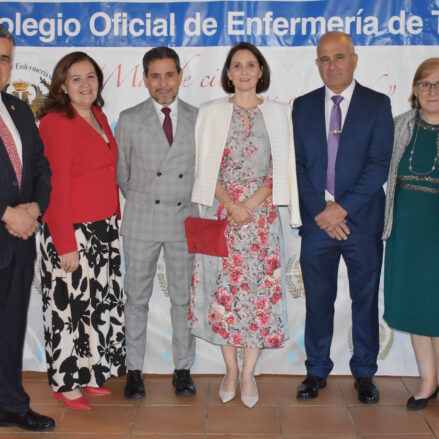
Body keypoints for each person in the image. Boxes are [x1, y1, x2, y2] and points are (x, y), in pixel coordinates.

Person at [190, 42, 301, 408]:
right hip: (221, 216)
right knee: (222, 296)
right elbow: (203, 168)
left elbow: (282, 167)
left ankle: (249, 373)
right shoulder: (210, 112)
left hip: (261, 220)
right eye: (236, 65)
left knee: (258, 298)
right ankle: (230, 371)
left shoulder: (280, 113)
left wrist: (250, 204)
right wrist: (230, 204)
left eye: (250, 65)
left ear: (261, 71)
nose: (243, 72)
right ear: (227, 73)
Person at [293, 31, 394, 403]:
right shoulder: (302, 106)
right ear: (317, 64)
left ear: (354, 59)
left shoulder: (377, 104)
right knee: (318, 299)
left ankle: (365, 372)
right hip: (318, 222)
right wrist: (322, 212)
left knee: (364, 300)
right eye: (324, 58)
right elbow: (299, 167)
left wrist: (342, 207)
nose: (331, 65)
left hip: (362, 220)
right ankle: (316, 369)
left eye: (339, 57)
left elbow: (379, 164)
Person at [38, 51, 126, 410]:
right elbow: (54, 187)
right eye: (76, 78)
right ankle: (65, 380)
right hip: (70, 231)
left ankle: (88, 374)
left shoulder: (99, 115)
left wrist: (114, 221)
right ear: (62, 84)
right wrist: (64, 243)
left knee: (93, 308)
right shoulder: (56, 122)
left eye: (90, 76)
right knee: (66, 309)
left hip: (103, 229)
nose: (85, 84)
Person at [116, 47, 198, 399]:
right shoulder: (129, 118)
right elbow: (123, 174)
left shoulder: (200, 117)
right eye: (155, 76)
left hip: (184, 221)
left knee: (183, 299)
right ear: (145, 78)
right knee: (136, 298)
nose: (163, 84)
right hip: (142, 220)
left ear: (180, 75)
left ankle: (182, 369)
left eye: (169, 75)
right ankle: (134, 369)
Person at [0, 25, 54, 431]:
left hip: (20, 244)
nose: (0, 66)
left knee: (12, 328)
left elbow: (39, 167)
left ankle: (11, 404)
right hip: (7, 226)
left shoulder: (18, 109)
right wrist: (6, 213)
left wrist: (34, 207)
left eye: (5, 58)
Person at [383, 58, 439, 410]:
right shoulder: (400, 125)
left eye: (438, 85)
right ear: (415, 91)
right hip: (405, 229)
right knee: (418, 304)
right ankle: (428, 379)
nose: (431, 91)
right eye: (425, 84)